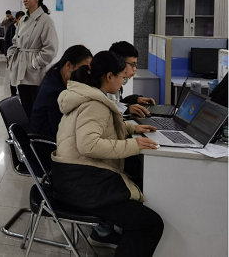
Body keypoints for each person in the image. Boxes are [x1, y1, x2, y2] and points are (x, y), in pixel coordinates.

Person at [52, 50, 163, 255]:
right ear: (109, 76)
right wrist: (134, 145)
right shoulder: (95, 103)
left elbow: (98, 128)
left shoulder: (87, 95)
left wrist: (131, 128)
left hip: (71, 176)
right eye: (122, 77)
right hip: (82, 184)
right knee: (149, 224)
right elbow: (89, 145)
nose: (122, 82)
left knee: (140, 200)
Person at [7, 0, 58, 120]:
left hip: (34, 72)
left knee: (35, 108)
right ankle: (28, 130)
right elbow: (15, 41)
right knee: (25, 105)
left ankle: (35, 130)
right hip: (20, 67)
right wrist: (11, 56)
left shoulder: (45, 20)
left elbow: (50, 49)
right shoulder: (23, 19)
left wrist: (35, 63)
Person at [28, 45, 93, 138]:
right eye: (82, 70)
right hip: (47, 142)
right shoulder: (57, 92)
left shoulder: (54, 75)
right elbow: (62, 132)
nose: (85, 77)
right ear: (68, 65)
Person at [108, 41, 155, 118]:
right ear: (119, 62)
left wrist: (135, 99)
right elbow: (108, 111)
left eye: (135, 65)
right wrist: (127, 109)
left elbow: (117, 103)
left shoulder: (117, 84)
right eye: (132, 65)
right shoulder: (107, 85)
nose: (135, 69)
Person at [4, 11, 25, 96]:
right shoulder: (11, 28)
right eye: (20, 19)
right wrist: (7, 56)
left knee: (21, 76)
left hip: (22, 56)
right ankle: (13, 94)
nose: (22, 21)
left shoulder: (25, 28)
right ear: (16, 19)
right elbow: (7, 42)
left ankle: (21, 93)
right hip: (12, 55)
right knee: (13, 75)